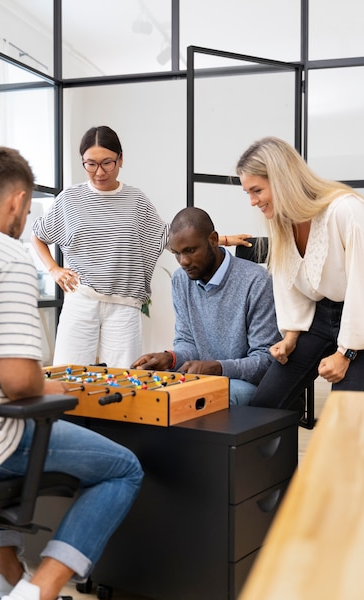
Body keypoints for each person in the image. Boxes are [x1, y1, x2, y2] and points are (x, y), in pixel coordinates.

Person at [0, 145, 144, 600]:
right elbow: (18, 383)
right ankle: (37, 597)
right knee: (123, 468)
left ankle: (2, 571)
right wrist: (55, 392)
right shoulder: (7, 257)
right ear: (17, 202)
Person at [31, 125, 253, 369]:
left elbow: (168, 236)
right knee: (67, 375)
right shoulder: (70, 199)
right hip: (81, 299)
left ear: (121, 159)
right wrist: (54, 269)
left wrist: (222, 239)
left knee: (125, 382)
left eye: (107, 163)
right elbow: (38, 235)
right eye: (90, 164)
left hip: (125, 305)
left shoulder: (135, 200)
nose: (99, 172)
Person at [236, 136, 364, 411]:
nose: (252, 201)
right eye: (247, 192)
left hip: (359, 319)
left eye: (256, 190)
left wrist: (346, 353)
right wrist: (290, 337)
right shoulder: (283, 221)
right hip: (322, 315)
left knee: (345, 420)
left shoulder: (345, 210)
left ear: (281, 180)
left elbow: (361, 288)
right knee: (264, 405)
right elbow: (288, 283)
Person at [131, 207, 281, 405]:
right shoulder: (180, 280)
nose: (183, 261)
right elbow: (187, 342)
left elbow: (265, 361)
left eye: (190, 251)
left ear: (213, 240)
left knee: (199, 400)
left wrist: (218, 368)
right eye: (177, 253)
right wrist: (171, 358)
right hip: (201, 380)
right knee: (144, 392)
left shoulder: (256, 281)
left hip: (243, 383)